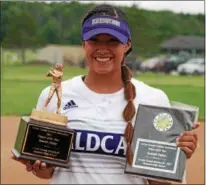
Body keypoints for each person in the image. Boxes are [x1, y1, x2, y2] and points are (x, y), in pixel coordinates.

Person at [12, 4, 199, 184]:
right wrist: (38, 165)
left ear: (127, 45)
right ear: (83, 44)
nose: (103, 48)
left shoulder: (153, 99)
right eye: (94, 40)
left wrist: (176, 154)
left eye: (113, 40)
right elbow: (48, 172)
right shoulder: (55, 95)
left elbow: (158, 182)